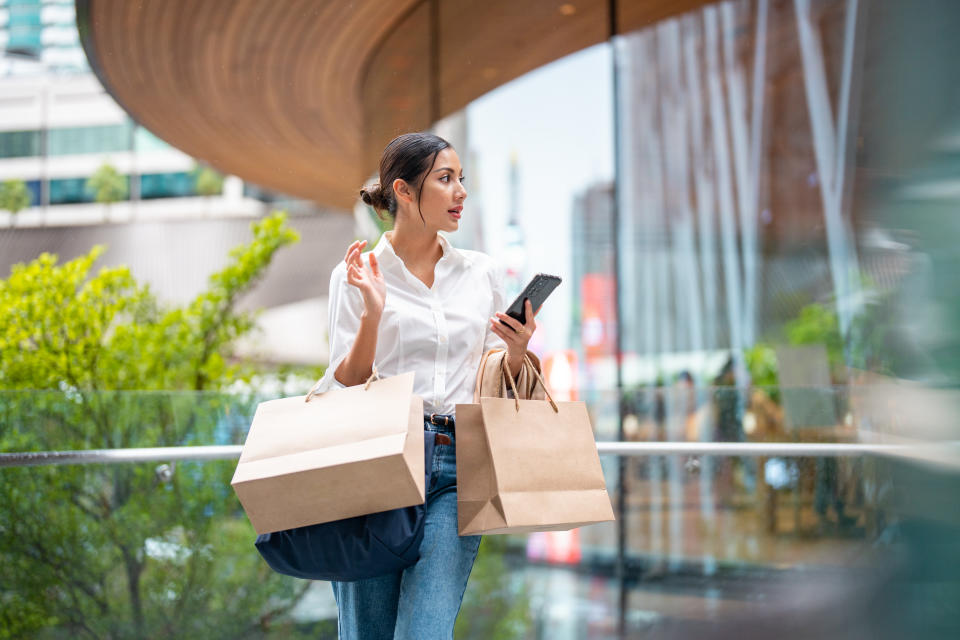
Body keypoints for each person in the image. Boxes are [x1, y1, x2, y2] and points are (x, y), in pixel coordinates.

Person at [309, 132, 538, 639]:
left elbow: (491, 374)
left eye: (462, 180)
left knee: (425, 633)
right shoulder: (356, 274)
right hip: (379, 463)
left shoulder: (480, 273)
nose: (460, 192)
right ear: (405, 192)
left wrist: (517, 351)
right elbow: (344, 386)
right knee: (367, 632)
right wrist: (373, 312)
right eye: (446, 178)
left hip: (457, 465)